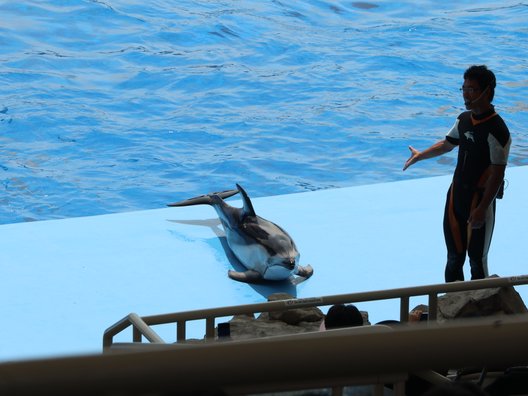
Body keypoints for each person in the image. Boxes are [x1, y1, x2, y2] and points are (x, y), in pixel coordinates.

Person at [403, 65, 511, 282]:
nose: (466, 94)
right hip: (455, 198)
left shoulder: (498, 130)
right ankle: (451, 309)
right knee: (454, 258)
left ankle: (480, 310)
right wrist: (420, 155)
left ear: (487, 91)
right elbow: (446, 144)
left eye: (472, 89)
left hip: (479, 202)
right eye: (464, 89)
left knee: (476, 260)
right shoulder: (463, 120)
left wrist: (482, 209)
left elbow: (497, 175)